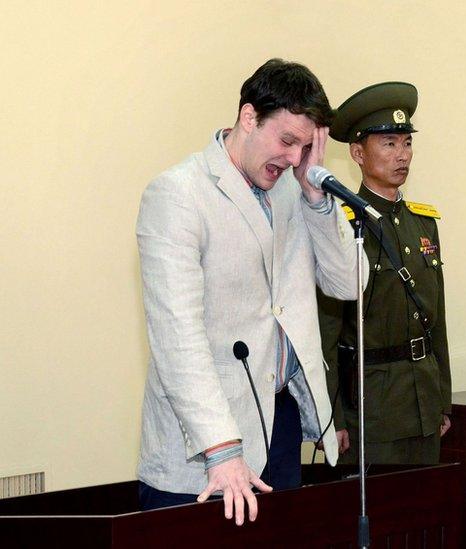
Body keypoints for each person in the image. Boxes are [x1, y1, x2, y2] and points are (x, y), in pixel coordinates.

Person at [135, 59, 359, 523]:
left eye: (305, 146)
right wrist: (222, 448)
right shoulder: (178, 195)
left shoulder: (296, 190)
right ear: (249, 116)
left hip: (278, 424)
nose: (296, 158)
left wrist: (317, 202)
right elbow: (178, 339)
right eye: (288, 141)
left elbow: (347, 283)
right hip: (203, 444)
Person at [317, 82, 450, 464]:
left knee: (425, 510)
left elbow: (437, 320)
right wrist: (332, 416)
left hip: (422, 400)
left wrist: (442, 397)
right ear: (358, 153)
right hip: (370, 408)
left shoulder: (423, 223)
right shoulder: (340, 227)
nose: (402, 154)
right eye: (389, 144)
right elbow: (327, 333)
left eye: (407, 142)